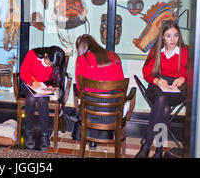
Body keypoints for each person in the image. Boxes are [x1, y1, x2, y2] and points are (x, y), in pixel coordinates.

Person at [135, 20, 188, 158]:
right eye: (168, 35)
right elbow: (146, 71)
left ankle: (146, 147)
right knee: (163, 106)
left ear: (179, 36)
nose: (172, 39)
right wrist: (157, 81)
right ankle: (158, 151)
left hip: (177, 90)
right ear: (162, 37)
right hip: (157, 87)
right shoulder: (156, 51)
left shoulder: (185, 51)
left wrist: (183, 78)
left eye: (175, 35)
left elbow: (193, 71)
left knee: (163, 105)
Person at [72, 34, 124, 150]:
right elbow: (121, 87)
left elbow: (80, 89)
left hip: (90, 113)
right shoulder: (114, 56)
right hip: (113, 112)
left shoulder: (82, 60)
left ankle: (92, 141)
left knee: (87, 101)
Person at [19, 46, 67, 151]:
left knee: (41, 99)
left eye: (51, 65)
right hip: (28, 83)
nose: (49, 66)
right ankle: (29, 132)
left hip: (44, 87)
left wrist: (51, 86)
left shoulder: (56, 62)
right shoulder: (32, 54)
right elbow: (23, 71)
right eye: (48, 63)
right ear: (45, 54)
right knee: (31, 99)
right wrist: (32, 82)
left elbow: (56, 79)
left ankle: (45, 135)